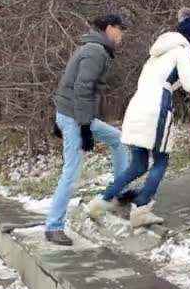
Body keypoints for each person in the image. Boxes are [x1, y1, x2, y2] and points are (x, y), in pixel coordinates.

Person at [88, 7, 190, 228]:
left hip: (137, 106)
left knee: (138, 164)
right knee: (161, 160)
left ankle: (102, 200)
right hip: (157, 109)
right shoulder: (182, 50)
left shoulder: (156, 55)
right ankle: (142, 209)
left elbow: (172, 80)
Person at [46, 13, 129, 246]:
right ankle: (53, 226)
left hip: (75, 114)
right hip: (75, 117)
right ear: (109, 28)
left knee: (119, 140)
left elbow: (69, 81)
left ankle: (120, 191)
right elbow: (82, 89)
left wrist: (66, 116)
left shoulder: (93, 47)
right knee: (71, 173)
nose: (121, 34)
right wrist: (83, 127)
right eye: (119, 29)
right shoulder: (95, 51)